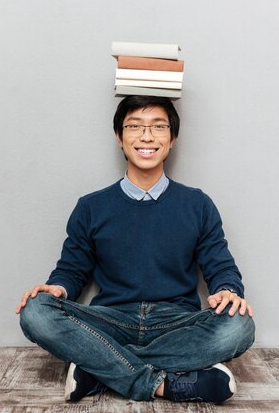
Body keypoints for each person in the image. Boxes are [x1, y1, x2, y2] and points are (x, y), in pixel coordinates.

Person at [16, 95, 255, 404]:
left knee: (239, 326)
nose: (146, 136)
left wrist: (227, 289)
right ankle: (162, 385)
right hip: (111, 320)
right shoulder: (91, 206)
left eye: (158, 127)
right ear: (119, 137)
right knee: (35, 309)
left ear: (172, 140)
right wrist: (58, 288)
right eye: (134, 126)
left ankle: (100, 370)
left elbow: (220, 264)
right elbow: (72, 270)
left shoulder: (197, 204)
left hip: (177, 323)